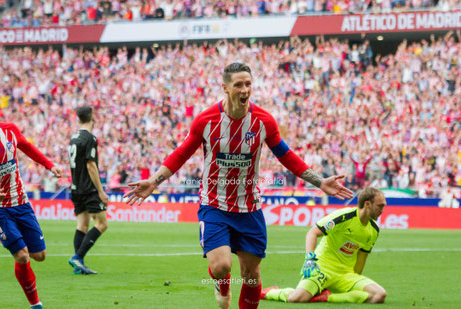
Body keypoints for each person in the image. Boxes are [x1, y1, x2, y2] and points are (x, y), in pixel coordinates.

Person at [124, 63, 353, 309]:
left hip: (249, 207)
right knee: (222, 267)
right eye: (239, 85)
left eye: (248, 84)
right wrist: (153, 181)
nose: (245, 90)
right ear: (225, 88)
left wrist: (319, 181)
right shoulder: (206, 120)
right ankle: (221, 282)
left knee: (252, 276)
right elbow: (181, 154)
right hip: (214, 203)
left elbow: (285, 156)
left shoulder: (264, 121)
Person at [0, 98, 63, 309]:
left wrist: (50, 165)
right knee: (22, 255)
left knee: (39, 255)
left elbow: (28, 148)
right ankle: (36, 304)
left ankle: (21, 262)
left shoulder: (10, 130)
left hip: (21, 203)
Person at [261, 187, 387, 304]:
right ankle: (271, 292)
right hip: (322, 270)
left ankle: (327, 297)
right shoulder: (344, 217)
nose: (382, 210)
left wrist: (355, 281)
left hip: (345, 275)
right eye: (380, 206)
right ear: (367, 204)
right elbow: (313, 232)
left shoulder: (374, 230)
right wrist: (309, 259)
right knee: (296, 298)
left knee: (379, 295)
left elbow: (361, 257)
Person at [68, 106, 109, 275]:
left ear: (79, 119)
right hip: (88, 189)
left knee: (82, 225)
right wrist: (100, 191)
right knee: (102, 224)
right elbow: (91, 165)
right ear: (93, 118)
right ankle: (78, 257)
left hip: (76, 187)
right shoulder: (90, 138)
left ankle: (79, 264)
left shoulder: (74, 137)